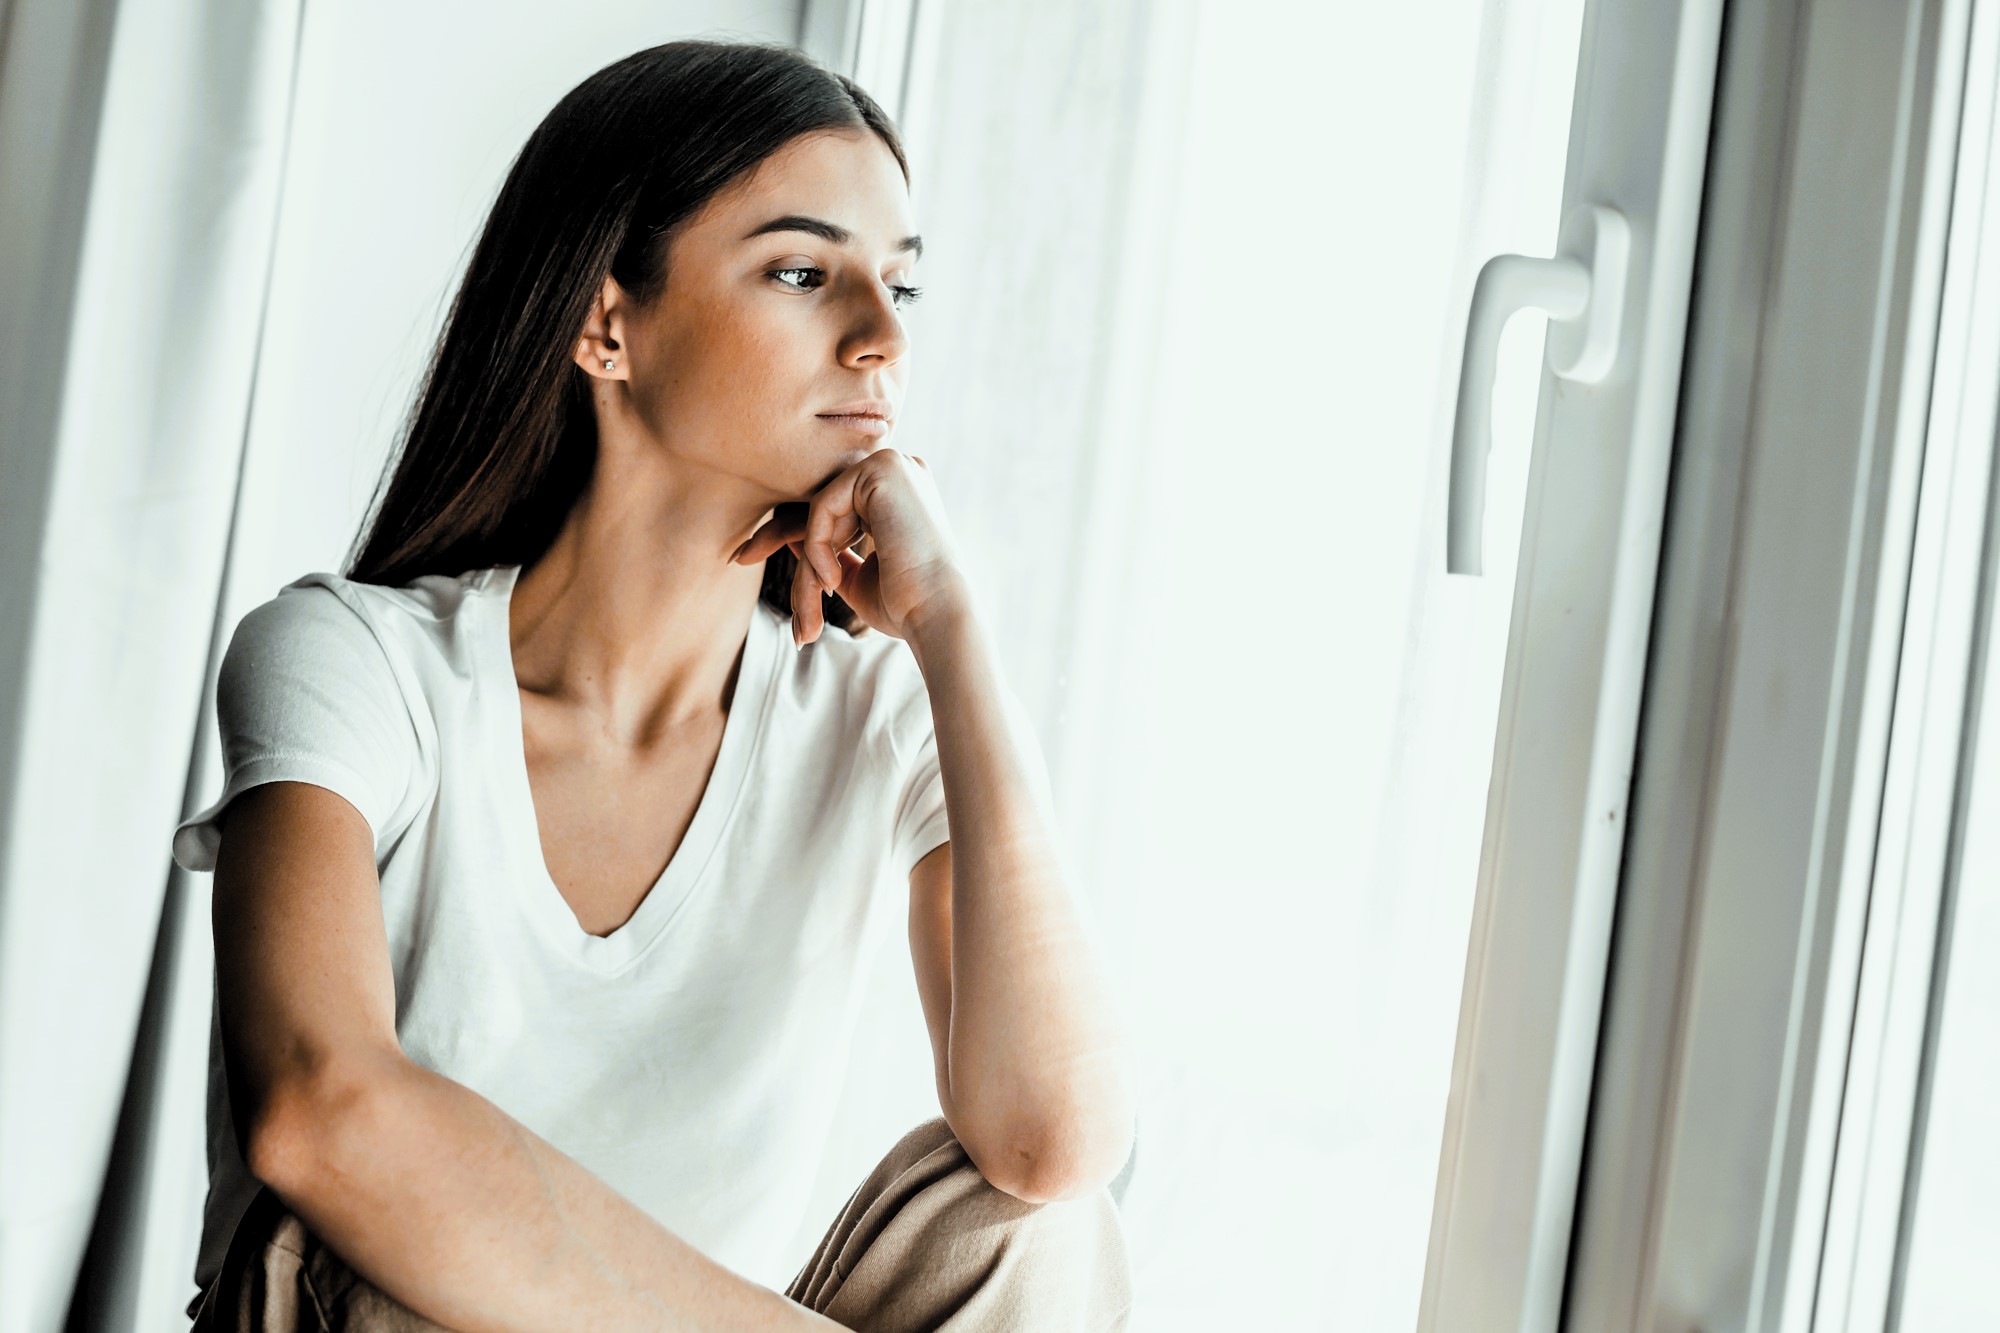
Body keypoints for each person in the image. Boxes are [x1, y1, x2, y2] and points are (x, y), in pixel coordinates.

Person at [170, 37, 1137, 1332]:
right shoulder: (356, 663)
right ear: (607, 322)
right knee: (395, 1241)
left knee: (1025, 1228)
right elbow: (319, 1116)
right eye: (804, 272)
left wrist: (955, 632)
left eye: (901, 285)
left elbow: (1053, 1143)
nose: (881, 336)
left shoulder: (871, 714)